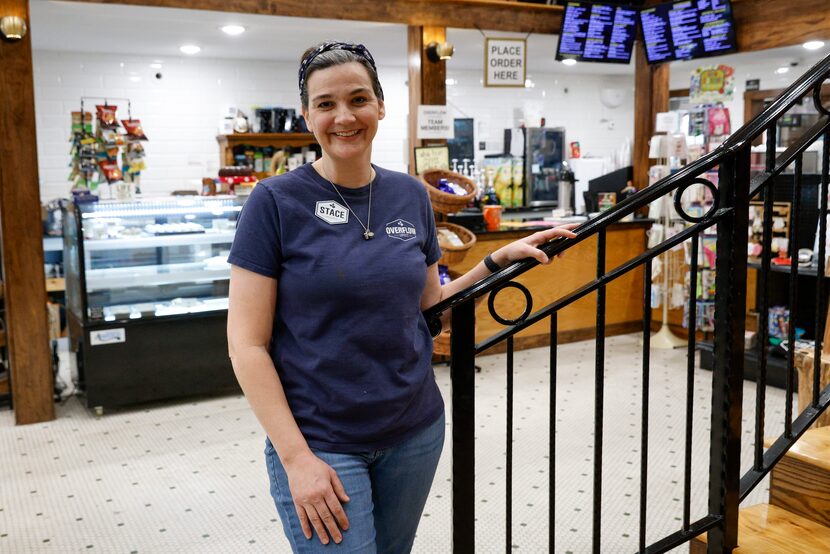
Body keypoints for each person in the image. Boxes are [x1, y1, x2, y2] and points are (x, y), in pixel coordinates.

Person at [226, 41, 577, 553]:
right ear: (307, 115)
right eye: (325, 104)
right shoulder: (275, 201)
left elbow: (428, 305)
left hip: (414, 429)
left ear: (381, 106)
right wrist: (296, 459)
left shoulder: (410, 194)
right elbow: (246, 345)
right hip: (321, 441)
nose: (344, 116)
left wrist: (495, 264)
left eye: (358, 99)